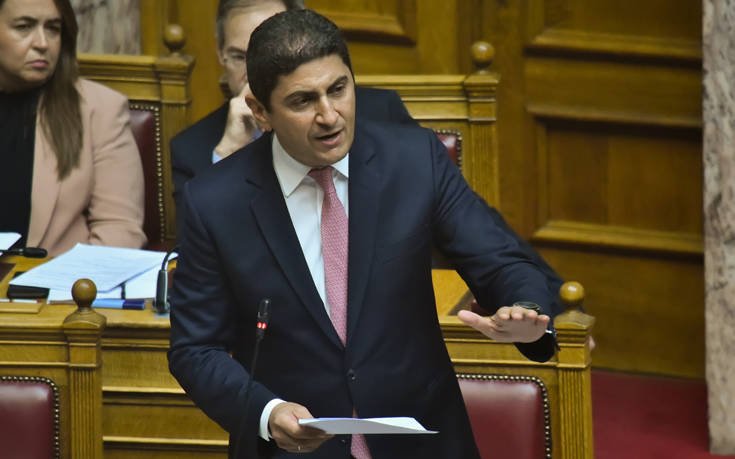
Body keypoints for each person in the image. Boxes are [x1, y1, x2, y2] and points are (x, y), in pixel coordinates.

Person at [169, 9, 557, 458]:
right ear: (260, 111)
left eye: (338, 89)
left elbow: (500, 259)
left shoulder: (416, 161)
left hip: (419, 442)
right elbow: (195, 350)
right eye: (303, 101)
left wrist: (526, 309)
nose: (329, 115)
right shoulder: (214, 202)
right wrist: (266, 412)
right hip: (294, 450)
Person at [170, 0, 413, 237]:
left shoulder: (381, 113)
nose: (255, 73)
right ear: (220, 55)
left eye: (274, 51)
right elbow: (197, 249)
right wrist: (228, 155)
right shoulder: (191, 150)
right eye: (239, 57)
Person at [0, 0, 146, 256]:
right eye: (24, 27)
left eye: (53, 28)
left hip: (59, 279)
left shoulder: (100, 110)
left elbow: (119, 230)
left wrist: (68, 279)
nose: (42, 43)